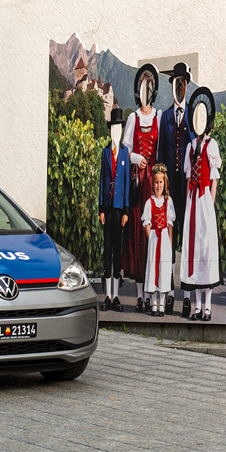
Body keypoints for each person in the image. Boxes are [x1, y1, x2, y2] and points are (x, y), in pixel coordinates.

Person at [180, 87, 222, 321]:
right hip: (192, 201)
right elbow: (188, 179)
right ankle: (197, 306)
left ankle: (208, 306)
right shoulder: (190, 147)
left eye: (202, 117)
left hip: (205, 199)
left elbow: (214, 178)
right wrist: (189, 203)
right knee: (194, 250)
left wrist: (209, 205)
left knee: (206, 250)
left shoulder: (211, 144)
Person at [157, 61, 194, 317]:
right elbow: (161, 153)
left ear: (186, 86)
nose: (178, 87)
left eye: (181, 83)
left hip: (188, 188)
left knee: (187, 240)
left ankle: (189, 295)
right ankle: (169, 294)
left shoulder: (194, 115)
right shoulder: (165, 116)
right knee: (170, 239)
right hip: (171, 189)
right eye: (174, 83)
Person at [123, 64, 160, 312]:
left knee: (153, 236)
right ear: (139, 90)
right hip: (138, 182)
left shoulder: (157, 116)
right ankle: (139, 296)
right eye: (143, 87)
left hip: (154, 184)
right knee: (138, 235)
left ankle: (152, 293)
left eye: (150, 87)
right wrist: (137, 158)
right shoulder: (133, 118)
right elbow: (125, 149)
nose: (146, 92)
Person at [97, 106, 132, 312]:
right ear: (110, 131)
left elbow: (126, 182)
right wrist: (101, 208)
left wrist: (126, 211)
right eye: (113, 129)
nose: (115, 132)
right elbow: (103, 181)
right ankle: (107, 297)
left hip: (119, 209)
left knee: (117, 253)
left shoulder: (125, 153)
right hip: (108, 208)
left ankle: (116, 296)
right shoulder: (104, 152)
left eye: (119, 128)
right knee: (108, 251)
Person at [141, 163, 174, 316]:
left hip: (165, 241)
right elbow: (146, 223)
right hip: (155, 239)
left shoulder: (168, 202)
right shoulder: (150, 202)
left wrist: (169, 243)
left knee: (163, 270)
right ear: (152, 184)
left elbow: (170, 224)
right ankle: (154, 304)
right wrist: (151, 239)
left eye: (161, 182)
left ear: (164, 183)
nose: (159, 185)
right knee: (154, 269)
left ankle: (162, 304)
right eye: (156, 182)